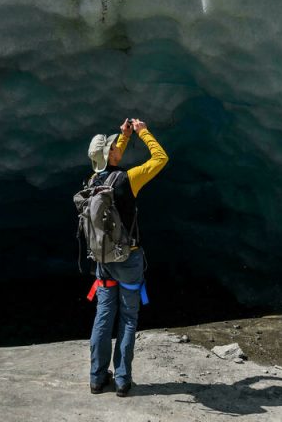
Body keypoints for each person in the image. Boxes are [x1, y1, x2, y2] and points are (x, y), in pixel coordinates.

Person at [84, 117, 168, 397]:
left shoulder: (93, 181)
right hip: (129, 261)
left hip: (103, 262)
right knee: (128, 318)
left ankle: (97, 378)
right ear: (110, 154)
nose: (115, 146)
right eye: (113, 146)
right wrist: (143, 133)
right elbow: (160, 158)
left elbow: (109, 163)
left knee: (103, 316)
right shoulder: (128, 180)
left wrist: (123, 137)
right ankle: (122, 380)